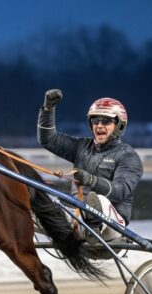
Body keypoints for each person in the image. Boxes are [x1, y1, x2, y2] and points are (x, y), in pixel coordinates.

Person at [37, 89, 143, 241]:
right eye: (95, 121)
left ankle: (91, 227)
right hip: (77, 214)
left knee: (96, 200)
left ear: (119, 126)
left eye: (106, 121)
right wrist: (48, 110)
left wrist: (90, 180)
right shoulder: (81, 147)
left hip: (112, 226)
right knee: (39, 203)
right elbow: (48, 140)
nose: (99, 125)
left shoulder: (128, 156)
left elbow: (121, 191)